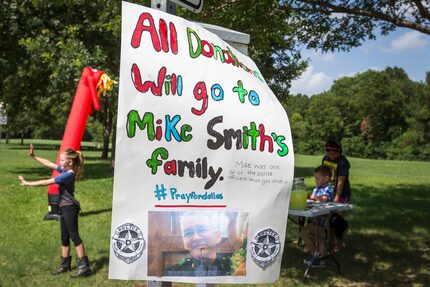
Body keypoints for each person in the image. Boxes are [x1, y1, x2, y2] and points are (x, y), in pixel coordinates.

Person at [18, 144, 92, 277]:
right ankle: (65, 265)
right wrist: (34, 156)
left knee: (74, 236)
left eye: (62, 160)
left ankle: (84, 267)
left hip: (70, 208)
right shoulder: (65, 171)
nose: (59, 162)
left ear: (69, 162)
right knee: (64, 237)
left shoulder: (68, 175)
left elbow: (46, 182)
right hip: (64, 208)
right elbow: (49, 163)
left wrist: (27, 183)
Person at [164, 212, 233, 276]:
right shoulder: (172, 273)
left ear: (217, 236)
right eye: (188, 233)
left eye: (202, 230)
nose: (196, 238)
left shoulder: (235, 268)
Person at [300, 165, 334, 267]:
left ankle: (315, 253)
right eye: (315, 178)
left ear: (326, 178)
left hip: (322, 219)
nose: (316, 180)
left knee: (304, 233)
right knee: (319, 238)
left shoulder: (329, 188)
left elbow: (323, 199)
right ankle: (318, 258)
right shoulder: (317, 188)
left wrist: (311, 196)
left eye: (317, 178)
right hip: (314, 218)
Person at [322, 140, 350, 251]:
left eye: (334, 153)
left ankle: (339, 243)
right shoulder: (325, 159)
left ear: (339, 151)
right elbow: (323, 174)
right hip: (328, 192)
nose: (331, 155)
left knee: (337, 220)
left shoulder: (343, 162)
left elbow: (341, 181)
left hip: (342, 194)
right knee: (329, 220)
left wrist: (337, 197)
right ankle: (330, 242)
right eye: (328, 152)